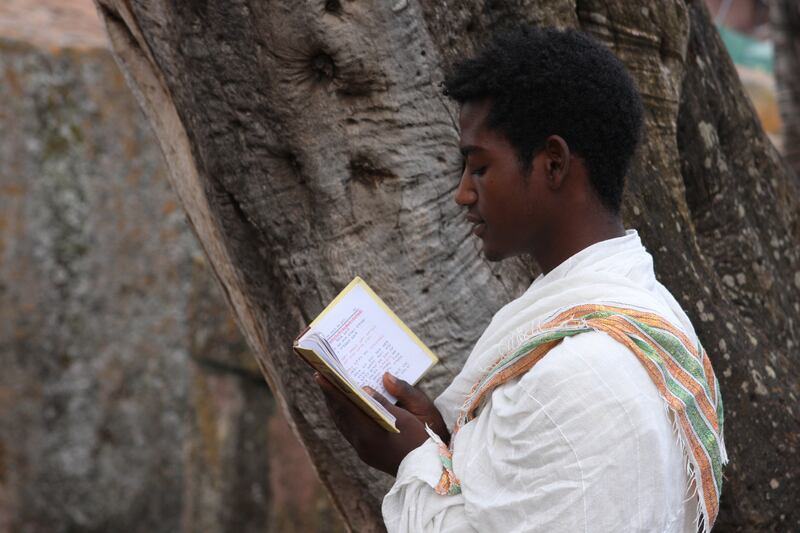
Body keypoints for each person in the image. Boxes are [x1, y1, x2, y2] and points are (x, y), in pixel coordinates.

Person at [314, 26, 726, 532]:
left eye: (480, 167)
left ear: (552, 163)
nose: (463, 194)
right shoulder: (646, 309)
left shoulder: (577, 376)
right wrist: (443, 439)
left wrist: (411, 462)